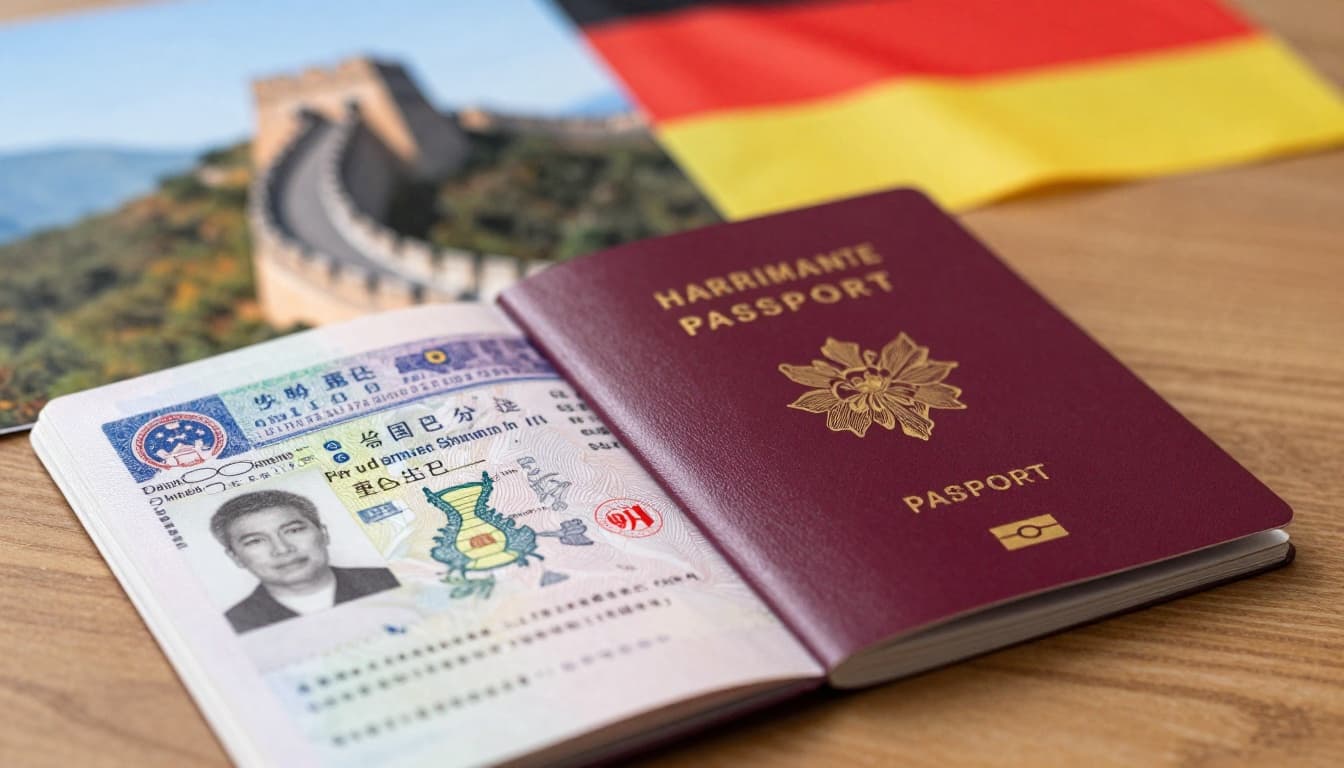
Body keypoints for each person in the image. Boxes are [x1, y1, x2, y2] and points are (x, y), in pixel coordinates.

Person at [210, 489, 398, 633]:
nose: (282, 549)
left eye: (293, 530)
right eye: (255, 541)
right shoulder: (234, 624)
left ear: (323, 534)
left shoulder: (391, 579)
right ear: (236, 558)